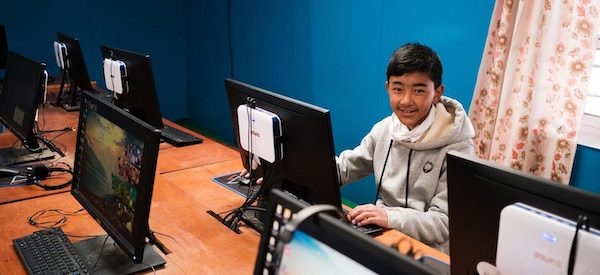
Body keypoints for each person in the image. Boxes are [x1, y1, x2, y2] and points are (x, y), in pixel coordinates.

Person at [338, 43, 475, 253]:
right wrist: (298, 169)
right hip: (386, 233)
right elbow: (345, 168)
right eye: (398, 89)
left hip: (428, 250)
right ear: (387, 88)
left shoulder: (458, 147)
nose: (406, 100)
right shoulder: (384, 129)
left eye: (419, 90)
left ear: (437, 93)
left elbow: (443, 223)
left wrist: (389, 217)